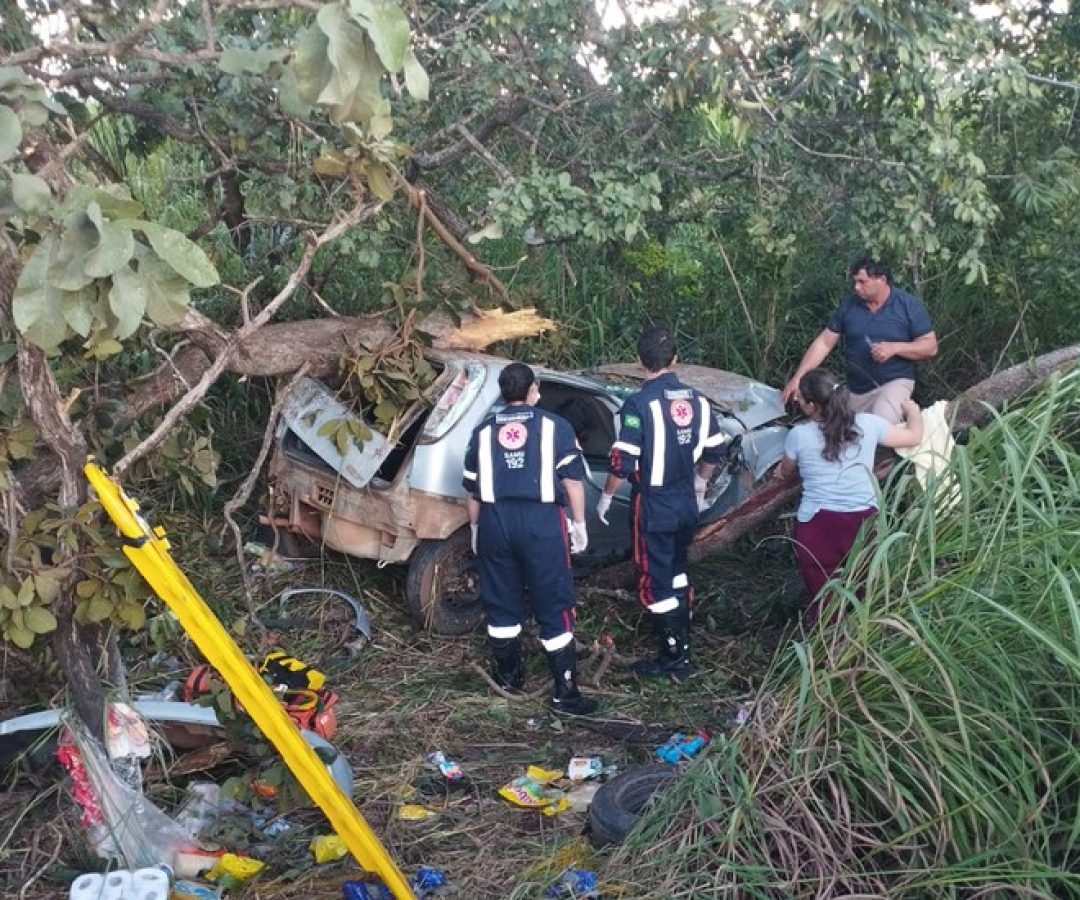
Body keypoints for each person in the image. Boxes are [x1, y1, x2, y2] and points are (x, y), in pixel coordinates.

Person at [461, 363, 596, 715]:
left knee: (501, 601)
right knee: (554, 600)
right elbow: (572, 481)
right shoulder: (556, 427)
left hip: (495, 521)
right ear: (534, 388)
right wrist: (579, 523)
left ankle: (509, 680)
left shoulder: (483, 431)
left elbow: (473, 492)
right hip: (541, 523)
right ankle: (564, 693)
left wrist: (475, 529)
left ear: (503, 392)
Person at [595, 326, 729, 681]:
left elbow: (622, 462)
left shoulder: (638, 404)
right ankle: (682, 641)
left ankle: (673, 657)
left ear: (640, 362)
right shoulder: (698, 400)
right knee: (679, 568)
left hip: (654, 505)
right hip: (686, 502)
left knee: (655, 579)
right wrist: (700, 483)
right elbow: (716, 448)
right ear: (675, 359)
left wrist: (606, 496)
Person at [777, 367, 923, 624]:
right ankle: (862, 645)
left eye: (800, 400)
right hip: (864, 521)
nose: (798, 403)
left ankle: (826, 653)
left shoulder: (798, 435)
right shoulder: (869, 424)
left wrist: (778, 471)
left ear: (811, 406)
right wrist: (913, 412)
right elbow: (914, 437)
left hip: (817, 525)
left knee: (823, 598)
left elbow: (786, 473)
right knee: (863, 590)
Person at [780, 255, 937, 424]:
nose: (856, 287)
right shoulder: (849, 305)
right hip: (856, 389)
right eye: (855, 281)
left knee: (880, 424)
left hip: (895, 382)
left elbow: (930, 346)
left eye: (862, 282)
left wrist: (895, 348)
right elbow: (824, 342)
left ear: (881, 280)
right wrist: (798, 377)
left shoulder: (907, 305)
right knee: (834, 429)